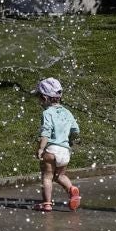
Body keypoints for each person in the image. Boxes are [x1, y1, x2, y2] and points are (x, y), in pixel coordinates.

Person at [33, 76, 82, 212]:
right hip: (65, 151)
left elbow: (46, 133)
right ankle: (71, 189)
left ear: (44, 98)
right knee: (59, 175)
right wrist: (70, 140)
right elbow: (76, 130)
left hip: (52, 150)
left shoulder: (47, 113)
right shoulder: (67, 112)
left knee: (47, 177)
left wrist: (41, 148)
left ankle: (47, 203)